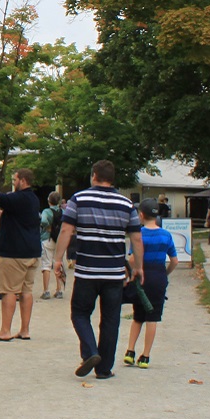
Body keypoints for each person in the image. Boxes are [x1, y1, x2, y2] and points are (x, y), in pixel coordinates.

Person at [53, 160, 143, 380]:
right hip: (114, 272)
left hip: (87, 270)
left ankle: (90, 352)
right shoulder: (126, 204)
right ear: (113, 178)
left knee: (80, 313)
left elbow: (66, 230)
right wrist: (138, 267)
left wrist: (58, 259)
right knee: (111, 319)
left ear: (94, 175)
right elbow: (137, 238)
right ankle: (104, 369)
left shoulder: (79, 199)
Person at [0, 169, 43, 341]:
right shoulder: (32, 199)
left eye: (14, 179)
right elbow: (11, 216)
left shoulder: (20, 197)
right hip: (31, 251)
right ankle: (25, 330)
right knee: (26, 291)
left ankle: (5, 330)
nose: (13, 182)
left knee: (8, 291)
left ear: (22, 181)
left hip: (13, 252)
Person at [125, 199, 177, 369]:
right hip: (158, 277)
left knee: (137, 316)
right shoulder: (166, 235)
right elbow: (174, 261)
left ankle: (130, 351)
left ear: (141, 215)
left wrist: (132, 270)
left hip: (142, 277)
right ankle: (146, 356)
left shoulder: (138, 235)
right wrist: (165, 273)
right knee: (152, 318)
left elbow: (132, 258)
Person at [39, 193, 66, 300]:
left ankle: (46, 291)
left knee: (46, 264)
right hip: (59, 240)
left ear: (49, 201)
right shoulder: (63, 211)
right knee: (58, 263)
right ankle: (59, 290)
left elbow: (43, 221)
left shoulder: (47, 211)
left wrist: (48, 227)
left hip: (48, 238)